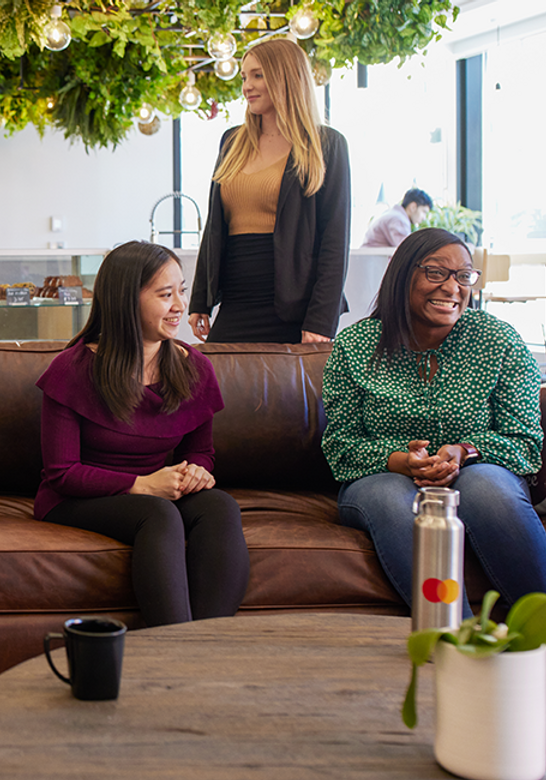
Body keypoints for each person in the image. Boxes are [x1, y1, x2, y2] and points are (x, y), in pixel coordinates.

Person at [322, 227, 546, 613]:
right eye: (436, 272)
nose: (452, 287)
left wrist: (463, 451)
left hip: (480, 469)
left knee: (486, 489)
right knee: (392, 497)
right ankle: (455, 639)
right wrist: (399, 460)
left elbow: (525, 440)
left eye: (463, 276)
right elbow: (339, 446)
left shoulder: (499, 340)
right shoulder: (355, 346)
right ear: (402, 273)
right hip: (380, 481)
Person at [35, 241, 250, 627]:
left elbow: (201, 451)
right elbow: (62, 472)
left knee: (220, 506)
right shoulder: (73, 369)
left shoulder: (193, 367)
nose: (180, 306)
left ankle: (209, 645)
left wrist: (197, 471)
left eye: (181, 291)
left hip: (156, 490)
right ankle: (173, 648)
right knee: (158, 514)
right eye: (166, 295)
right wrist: (141, 485)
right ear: (125, 300)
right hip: (76, 497)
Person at [190, 38, 351, 344]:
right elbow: (214, 225)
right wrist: (200, 298)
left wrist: (321, 320)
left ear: (286, 77)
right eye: (243, 77)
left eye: (257, 75)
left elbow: (335, 241)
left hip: (294, 309)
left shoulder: (325, 145)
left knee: (291, 394)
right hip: (236, 301)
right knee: (217, 386)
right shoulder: (232, 141)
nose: (246, 86)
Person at [361, 188, 434, 248]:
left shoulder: (393, 214)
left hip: (372, 261)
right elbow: (407, 249)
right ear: (413, 207)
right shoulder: (399, 220)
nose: (424, 218)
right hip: (375, 263)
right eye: (424, 212)